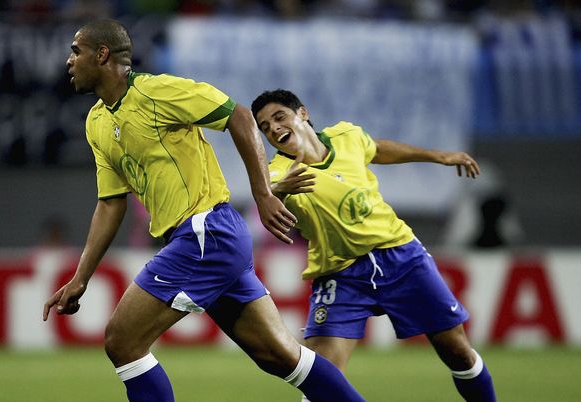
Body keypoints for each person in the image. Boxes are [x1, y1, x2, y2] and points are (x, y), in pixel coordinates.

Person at [41, 20, 365, 402]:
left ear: (102, 55)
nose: (69, 60)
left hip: (205, 232)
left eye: (76, 51)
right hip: (207, 241)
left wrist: (262, 194)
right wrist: (81, 277)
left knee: (122, 341)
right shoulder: (97, 122)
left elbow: (239, 116)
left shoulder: (158, 91)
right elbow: (111, 203)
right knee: (281, 357)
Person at [251, 89, 497, 402]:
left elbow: (378, 149)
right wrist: (277, 191)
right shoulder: (278, 172)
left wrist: (437, 156)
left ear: (303, 113)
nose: (273, 128)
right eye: (264, 126)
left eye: (278, 117)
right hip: (341, 274)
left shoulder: (346, 136)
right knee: (322, 374)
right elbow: (267, 192)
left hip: (401, 257)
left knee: (458, 351)